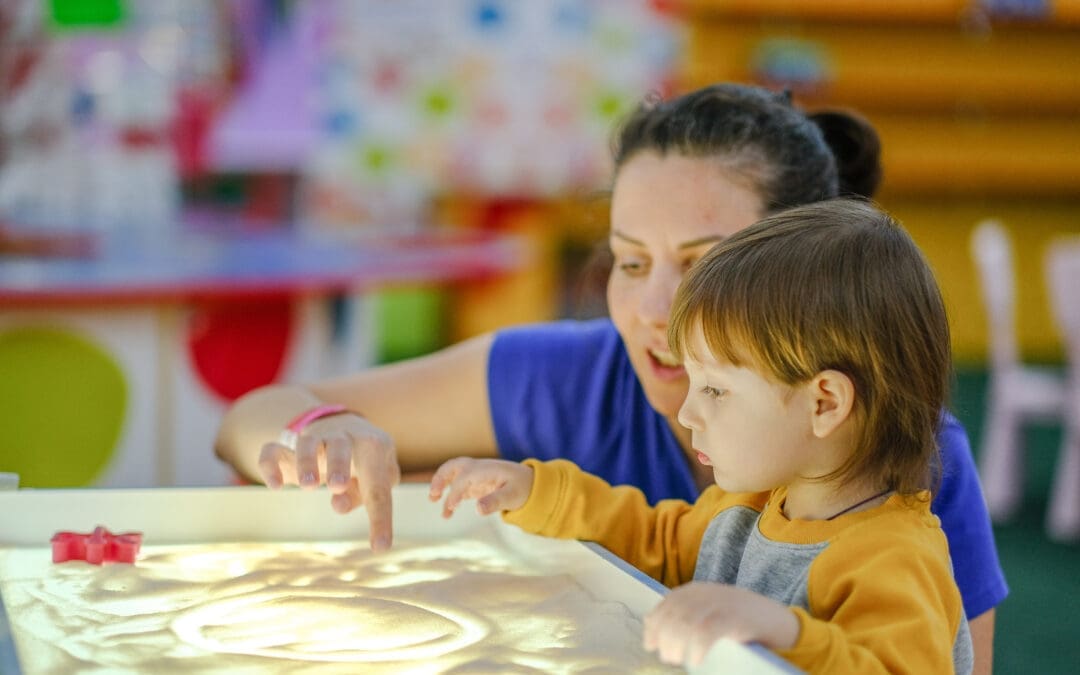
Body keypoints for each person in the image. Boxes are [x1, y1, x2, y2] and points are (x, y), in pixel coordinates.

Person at [213, 83, 1005, 669]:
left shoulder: (910, 484)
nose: (659, 309)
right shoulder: (602, 396)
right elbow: (651, 532)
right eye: (630, 261)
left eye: (707, 267)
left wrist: (783, 631)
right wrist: (326, 436)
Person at [429, 199, 974, 672]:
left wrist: (786, 634)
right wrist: (536, 492)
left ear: (825, 402)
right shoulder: (747, 507)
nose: (688, 413)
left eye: (715, 390)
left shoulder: (895, 559)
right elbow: (656, 544)